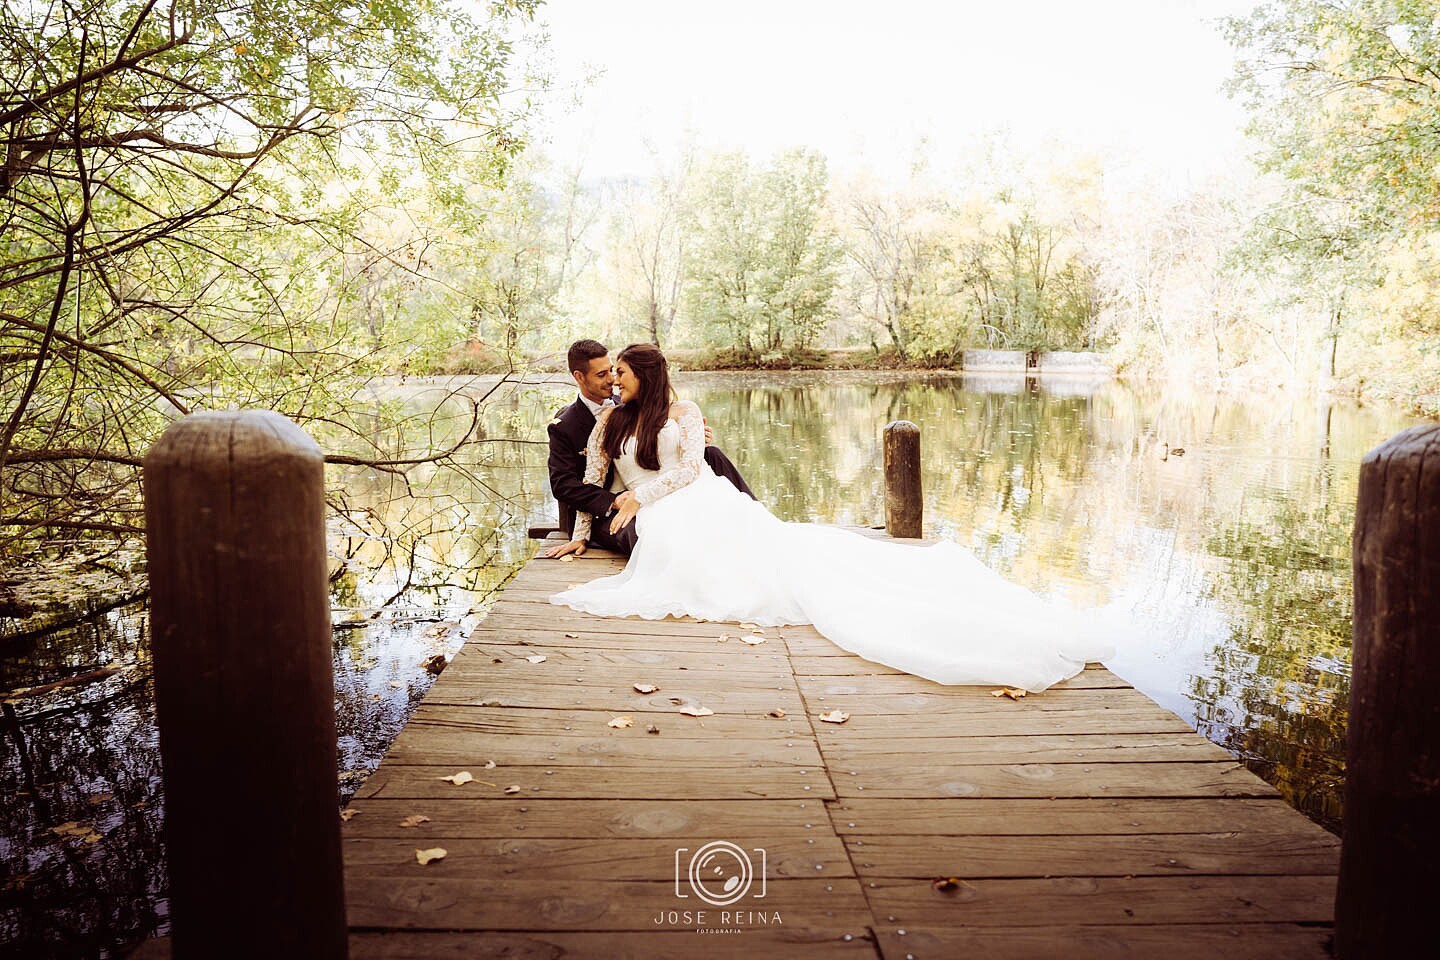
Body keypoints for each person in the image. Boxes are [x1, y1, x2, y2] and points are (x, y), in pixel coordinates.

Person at [548, 343, 1114, 692]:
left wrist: (640, 499)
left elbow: (695, 467)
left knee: (756, 546)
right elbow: (595, 481)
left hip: (686, 497)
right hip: (657, 510)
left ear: (646, 375)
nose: (614, 383)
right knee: (685, 551)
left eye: (620, 374)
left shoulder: (685, 411)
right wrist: (578, 536)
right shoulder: (608, 424)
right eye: (609, 375)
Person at [544, 339, 753, 558]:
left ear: (642, 377)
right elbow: (567, 484)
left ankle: (752, 516)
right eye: (602, 375)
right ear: (579, 377)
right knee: (648, 536)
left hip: (665, 491)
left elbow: (661, 448)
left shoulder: (641, 404)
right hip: (608, 507)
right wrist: (587, 527)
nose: (613, 380)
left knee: (713, 457)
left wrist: (692, 439)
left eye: (615, 372)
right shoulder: (568, 426)